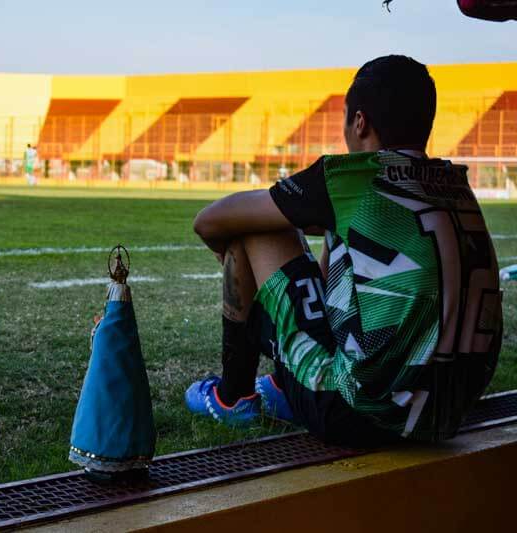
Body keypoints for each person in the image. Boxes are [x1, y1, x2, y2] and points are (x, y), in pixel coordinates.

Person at [185, 55, 502, 447]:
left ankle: (233, 396)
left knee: (251, 229)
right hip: (448, 411)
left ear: (360, 122)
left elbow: (210, 219)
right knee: (339, 238)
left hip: (362, 415)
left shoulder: (351, 178)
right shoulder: (455, 183)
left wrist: (230, 253)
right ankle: (288, 384)